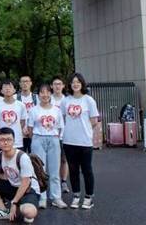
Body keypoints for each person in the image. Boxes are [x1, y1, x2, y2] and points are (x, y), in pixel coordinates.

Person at [0, 128, 39, 222]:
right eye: (2, 140)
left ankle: (24, 205)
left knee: (29, 213)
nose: (5, 142)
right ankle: (2, 210)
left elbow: (25, 183)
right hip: (13, 187)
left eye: (9, 139)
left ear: (13, 141)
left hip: (28, 190)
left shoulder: (22, 157)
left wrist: (14, 203)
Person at [61, 72, 99, 209]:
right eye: (73, 82)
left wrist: (84, 130)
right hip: (69, 141)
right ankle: (76, 195)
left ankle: (89, 197)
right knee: (73, 170)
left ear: (82, 84)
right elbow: (63, 119)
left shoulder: (88, 100)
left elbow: (94, 121)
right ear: (70, 85)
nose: (75, 84)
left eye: (78, 82)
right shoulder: (65, 101)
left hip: (84, 142)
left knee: (87, 170)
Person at [28, 83, 67, 209]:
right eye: (42, 92)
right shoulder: (33, 110)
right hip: (38, 138)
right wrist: (37, 138)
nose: (45, 95)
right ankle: (42, 197)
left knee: (54, 170)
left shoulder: (56, 110)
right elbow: (30, 129)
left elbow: (60, 127)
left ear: (50, 94)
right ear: (38, 95)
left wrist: (54, 138)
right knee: (40, 170)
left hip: (53, 139)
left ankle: (56, 197)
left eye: (47, 92)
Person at [0, 80, 27, 150]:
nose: (7, 89)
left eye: (10, 87)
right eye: (5, 87)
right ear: (1, 91)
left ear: (14, 90)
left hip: (17, 140)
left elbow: (22, 122)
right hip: (2, 140)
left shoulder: (21, 105)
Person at [51, 76, 70, 193]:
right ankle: (52, 182)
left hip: (65, 135)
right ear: (51, 86)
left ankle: (63, 182)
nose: (57, 86)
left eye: (59, 84)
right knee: (52, 160)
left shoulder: (67, 100)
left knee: (64, 159)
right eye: (55, 84)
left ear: (63, 86)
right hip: (51, 134)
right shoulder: (48, 99)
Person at [18, 76, 37, 153]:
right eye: (23, 81)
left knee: (33, 157)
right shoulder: (15, 97)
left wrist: (30, 130)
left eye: (27, 81)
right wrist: (22, 129)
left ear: (31, 83)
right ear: (20, 84)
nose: (25, 83)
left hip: (34, 132)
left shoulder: (37, 98)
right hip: (19, 134)